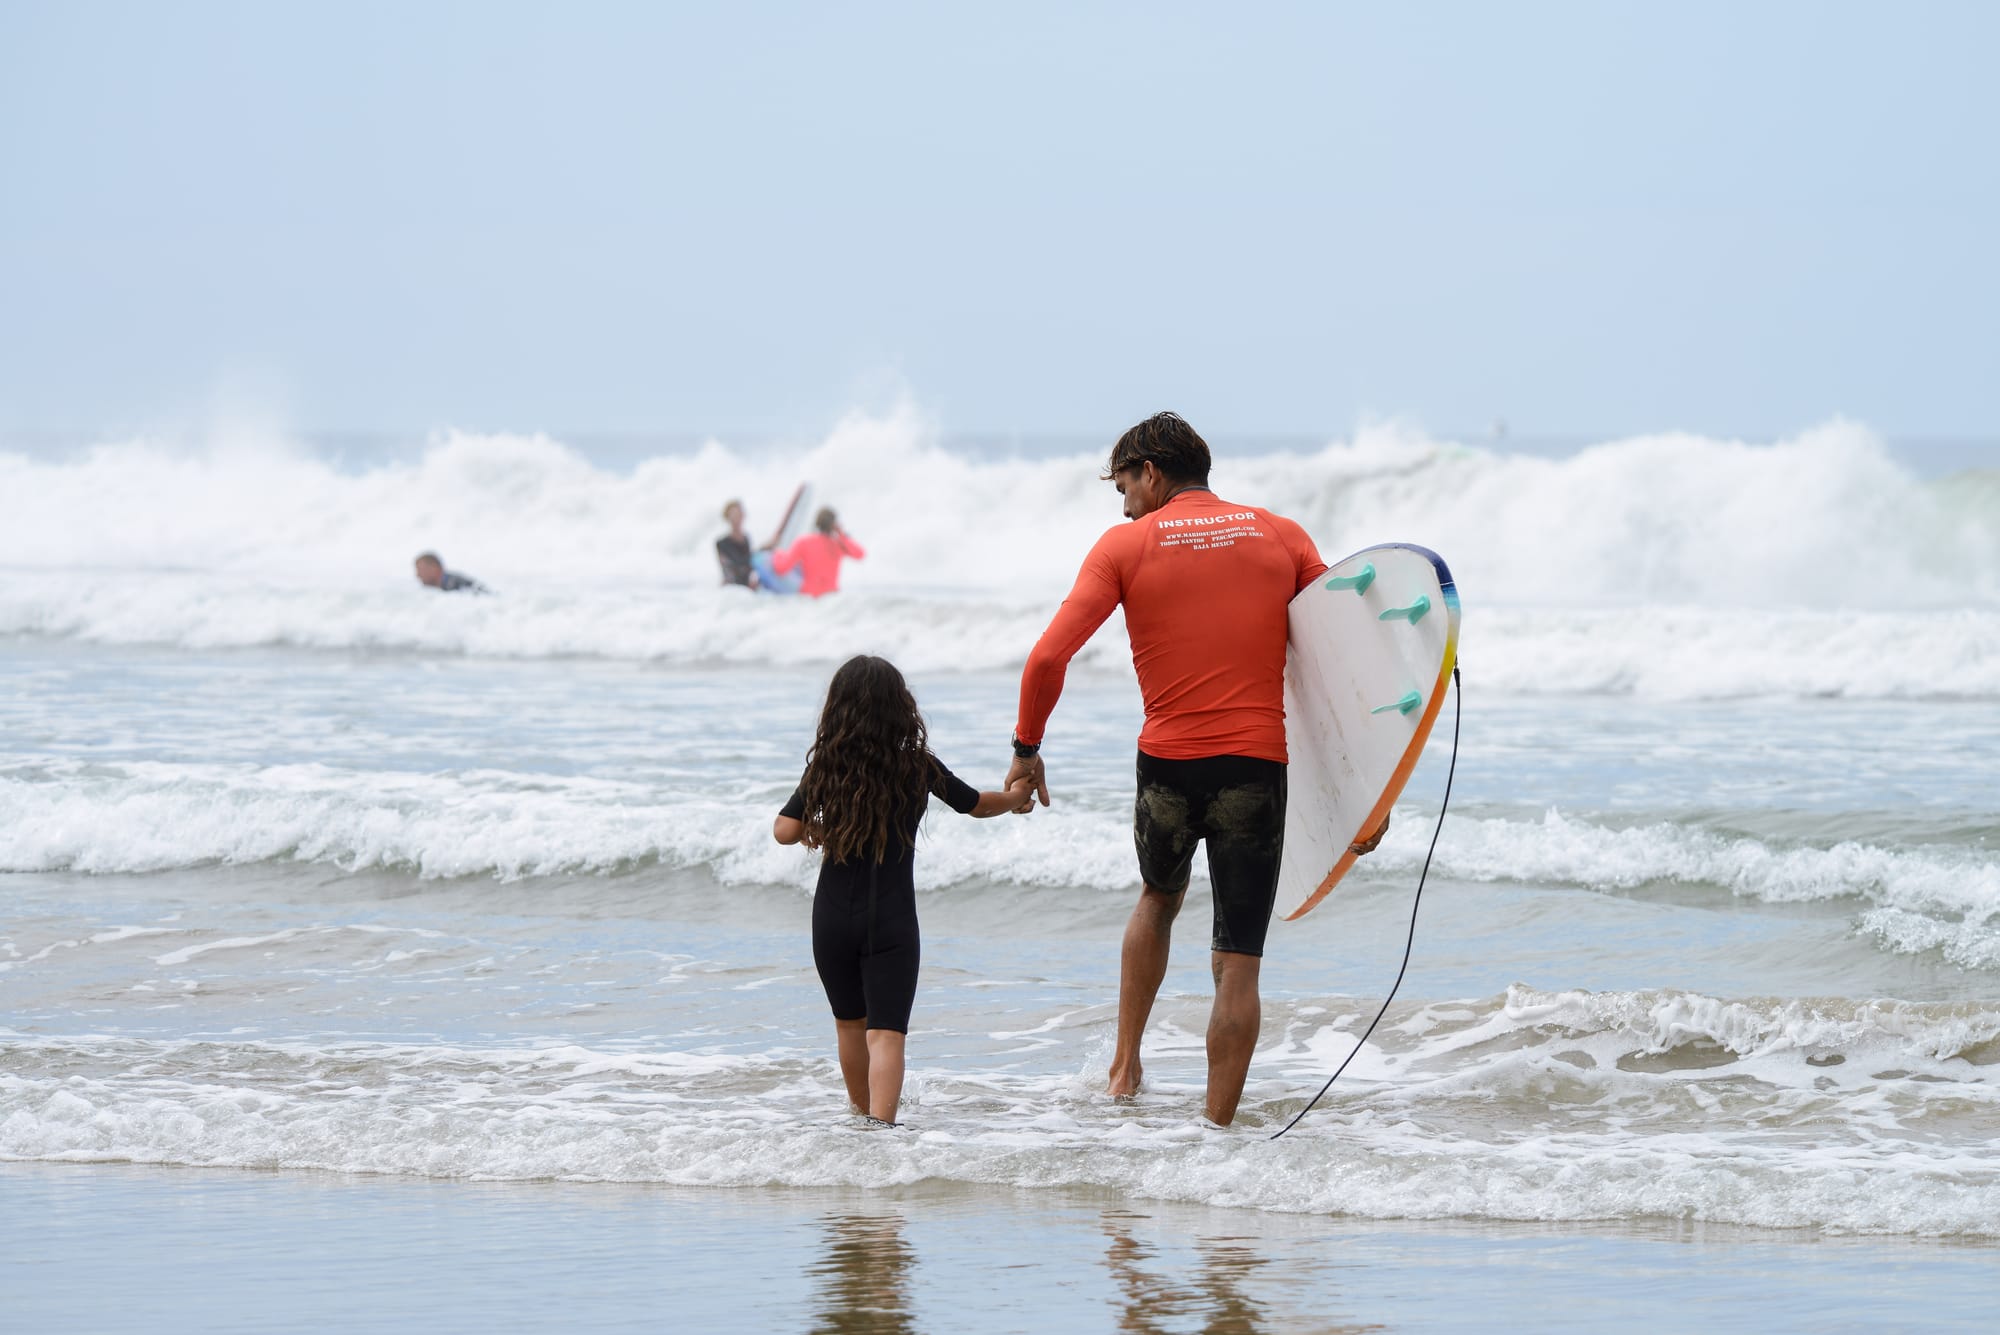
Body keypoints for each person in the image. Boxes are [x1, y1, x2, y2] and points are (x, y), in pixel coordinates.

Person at [1004, 412, 1387, 1127]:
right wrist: (1371, 790)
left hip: (1168, 769)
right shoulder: (1283, 535)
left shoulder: (1124, 546)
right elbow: (1340, 659)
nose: (1125, 506)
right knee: (1238, 960)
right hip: (1254, 765)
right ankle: (1217, 1136)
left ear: (1151, 472)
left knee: (1158, 896)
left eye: (1125, 487)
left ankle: (1124, 1069)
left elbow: (1048, 658)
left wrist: (1026, 748)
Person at [774, 654, 1032, 1125]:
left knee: (849, 1026)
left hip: (831, 918)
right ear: (900, 707)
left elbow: (784, 830)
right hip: (890, 919)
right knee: (886, 1034)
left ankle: (859, 1122)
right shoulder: (917, 765)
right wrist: (1017, 797)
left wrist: (820, 831)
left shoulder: (828, 766)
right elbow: (975, 805)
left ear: (838, 708)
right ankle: (882, 1130)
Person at [771, 507, 864, 598]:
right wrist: (842, 534)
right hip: (831, 598)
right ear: (834, 525)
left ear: (817, 523)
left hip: (808, 597)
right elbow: (860, 554)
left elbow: (781, 569)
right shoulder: (838, 545)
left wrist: (777, 554)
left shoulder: (803, 542)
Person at [716, 500, 759, 589]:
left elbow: (750, 565)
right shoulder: (722, 543)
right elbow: (738, 563)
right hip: (732, 589)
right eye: (733, 514)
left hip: (747, 586)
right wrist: (761, 550)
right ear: (728, 517)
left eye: (739, 514)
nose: (736, 517)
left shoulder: (746, 539)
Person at [412, 551, 487, 593]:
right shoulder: (445, 587)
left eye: (420, 570)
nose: (418, 575)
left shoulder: (455, 584)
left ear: (434, 568)